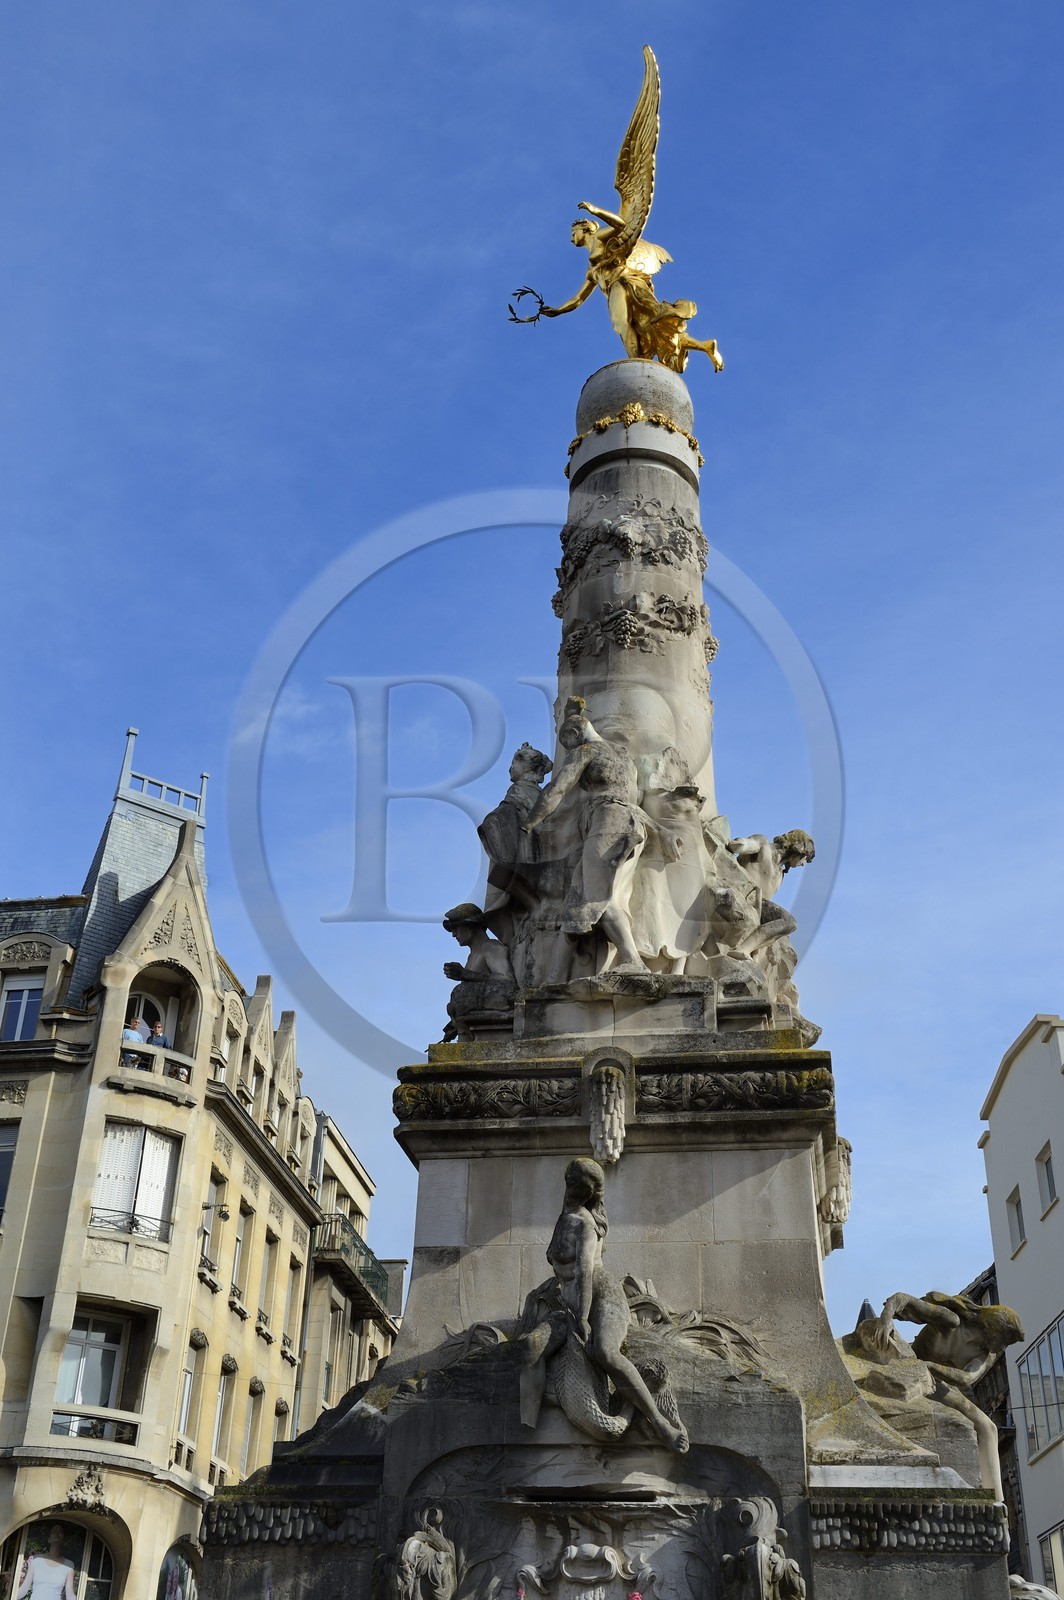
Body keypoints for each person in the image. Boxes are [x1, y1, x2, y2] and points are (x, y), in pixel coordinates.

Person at [517, 1158, 688, 1452]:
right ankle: (527, 1427)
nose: (578, 1191)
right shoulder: (564, 1217)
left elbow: (585, 1272)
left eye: (585, 1189)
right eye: (575, 1184)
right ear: (568, 1181)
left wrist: (583, 1317)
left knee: (605, 1352)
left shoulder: (585, 1224)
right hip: (569, 1305)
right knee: (531, 1346)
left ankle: (660, 1423)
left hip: (603, 1296)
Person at [523, 699, 648, 974]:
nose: (568, 750)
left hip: (607, 821)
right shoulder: (623, 754)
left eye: (567, 744)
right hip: (630, 821)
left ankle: (633, 961)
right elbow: (635, 797)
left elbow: (557, 789)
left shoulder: (585, 751)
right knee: (580, 897)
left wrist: (530, 823)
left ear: (574, 734)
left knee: (597, 896)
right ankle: (556, 975)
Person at [872, 1290, 1024, 1501]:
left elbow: (965, 1378)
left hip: (936, 1383)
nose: (1003, 1347)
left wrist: (928, 1366)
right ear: (994, 1328)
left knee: (988, 1428)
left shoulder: (986, 1355)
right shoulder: (951, 1321)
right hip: (912, 1371)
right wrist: (886, 1319)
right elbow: (901, 1299)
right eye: (1005, 1340)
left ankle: (998, 1504)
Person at [16, 1524, 77, 1598]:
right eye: (54, 1531)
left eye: (60, 1532)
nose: (57, 1533)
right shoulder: (37, 1560)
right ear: (49, 1539)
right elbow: (23, 1589)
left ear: (63, 1539)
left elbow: (70, 1594)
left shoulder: (68, 1565)